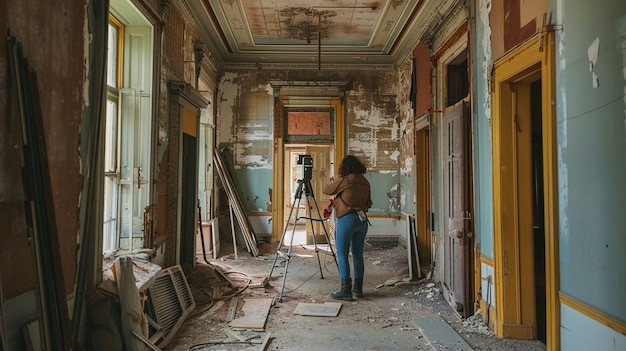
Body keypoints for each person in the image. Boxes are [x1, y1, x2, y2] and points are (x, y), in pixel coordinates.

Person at [323, 155, 372, 301]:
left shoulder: (348, 180)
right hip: (362, 221)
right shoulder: (365, 181)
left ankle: (346, 290)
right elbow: (369, 203)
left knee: (342, 254)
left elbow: (327, 190)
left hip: (347, 219)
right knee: (358, 255)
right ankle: (358, 289)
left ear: (345, 168)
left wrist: (335, 182)